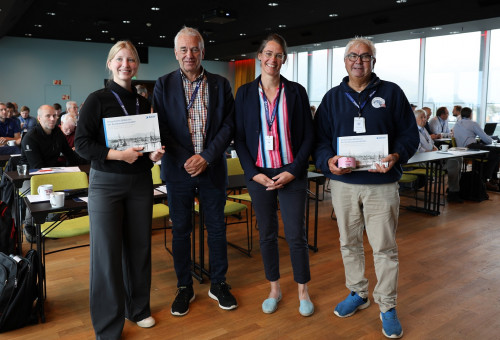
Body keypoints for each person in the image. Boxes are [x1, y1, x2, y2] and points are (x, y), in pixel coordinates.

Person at [314, 37, 419, 339]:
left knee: (384, 248)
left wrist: (396, 155)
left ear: (374, 61)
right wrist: (328, 161)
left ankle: (386, 305)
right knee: (349, 244)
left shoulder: (392, 93)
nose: (358, 61)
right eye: (352, 56)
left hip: (382, 185)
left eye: (365, 56)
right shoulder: (333, 98)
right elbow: (320, 141)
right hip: (344, 185)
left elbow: (409, 135)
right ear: (344, 61)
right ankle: (358, 293)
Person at [74, 40, 164, 339]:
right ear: (110, 63)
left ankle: (137, 309)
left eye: (132, 60)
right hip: (107, 184)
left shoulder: (142, 101)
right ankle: (108, 326)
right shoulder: (96, 99)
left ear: (137, 65)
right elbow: (82, 144)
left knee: (139, 249)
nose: (126, 64)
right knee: (107, 255)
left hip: (140, 182)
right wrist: (117, 155)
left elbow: (146, 144)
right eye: (120, 59)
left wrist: (153, 154)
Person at [153, 26, 237, 316]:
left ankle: (219, 283)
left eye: (195, 49)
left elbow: (229, 125)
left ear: (203, 51)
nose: (190, 55)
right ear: (176, 53)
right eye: (184, 49)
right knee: (181, 230)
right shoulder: (163, 85)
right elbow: (160, 128)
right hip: (178, 171)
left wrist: (206, 157)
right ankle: (183, 287)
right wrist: (189, 158)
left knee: (215, 228)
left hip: (212, 169)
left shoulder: (220, 83)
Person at [234, 33, 314, 316]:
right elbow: (239, 139)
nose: (273, 59)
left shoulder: (296, 92)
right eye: (268, 53)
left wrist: (294, 171)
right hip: (260, 175)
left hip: (291, 173)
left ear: (284, 60)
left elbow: (308, 137)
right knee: (266, 234)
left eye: (279, 55)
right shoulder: (244, 93)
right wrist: (252, 173)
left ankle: (303, 290)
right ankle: (274, 289)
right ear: (259, 56)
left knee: (296, 235)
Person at [21, 104, 84, 243]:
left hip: (52, 171)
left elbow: (70, 155)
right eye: (48, 116)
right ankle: (29, 226)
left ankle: (50, 224)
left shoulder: (57, 133)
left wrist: (88, 162)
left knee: (64, 188)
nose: (52, 119)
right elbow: (37, 168)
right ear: (39, 118)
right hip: (28, 176)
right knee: (36, 189)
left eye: (55, 115)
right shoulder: (30, 137)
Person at [414, 109, 463, 202]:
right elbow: (419, 150)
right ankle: (453, 192)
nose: (425, 119)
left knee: (459, 158)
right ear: (414, 119)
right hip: (423, 160)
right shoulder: (412, 131)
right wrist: (432, 151)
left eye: (425, 117)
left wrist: (434, 149)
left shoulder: (424, 129)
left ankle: (453, 189)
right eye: (422, 117)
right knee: (453, 162)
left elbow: (432, 143)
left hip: (433, 156)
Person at [453, 107, 500, 191]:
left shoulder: (456, 124)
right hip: (470, 148)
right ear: (470, 114)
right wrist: (493, 140)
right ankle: (487, 180)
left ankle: (492, 178)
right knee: (496, 152)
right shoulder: (473, 123)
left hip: (460, 149)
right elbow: (486, 139)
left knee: (493, 151)